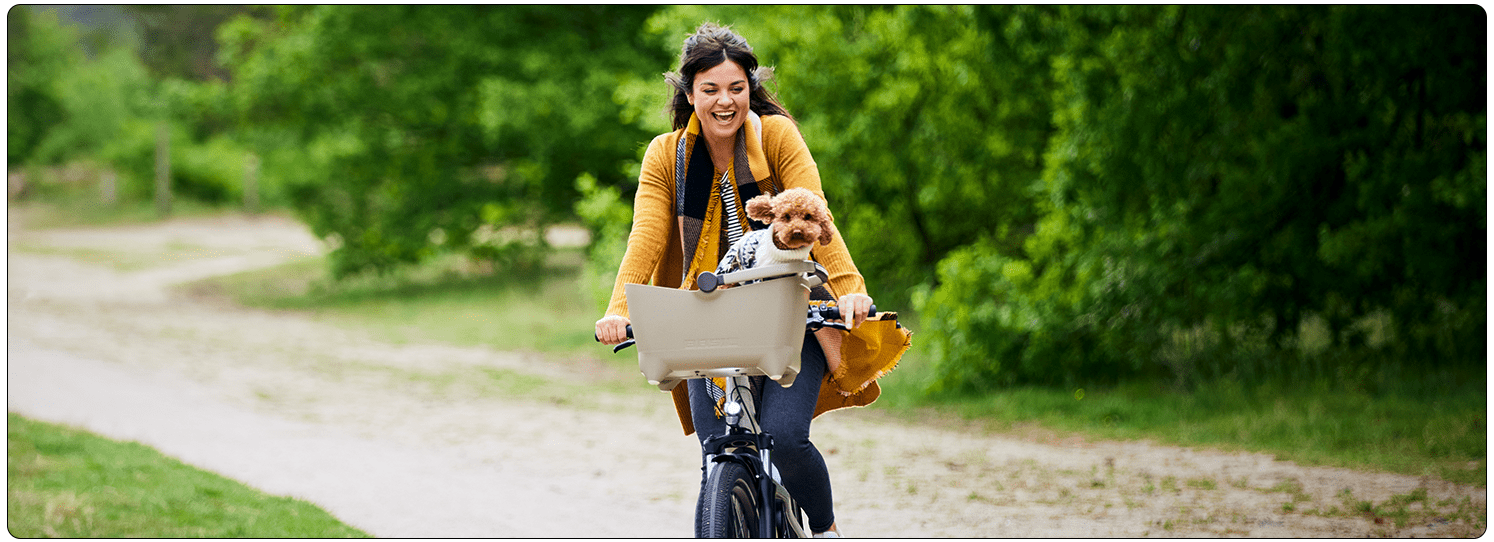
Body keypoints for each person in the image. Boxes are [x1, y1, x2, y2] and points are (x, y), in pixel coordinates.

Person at [595, 22, 887, 538]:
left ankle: (825, 529)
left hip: (791, 311)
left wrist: (849, 289)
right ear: (690, 93)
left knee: (784, 436)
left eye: (736, 88)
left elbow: (816, 217)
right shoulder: (666, 155)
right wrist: (620, 308)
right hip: (707, 319)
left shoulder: (775, 135)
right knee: (716, 451)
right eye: (710, 89)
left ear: (751, 88)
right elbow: (647, 238)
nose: (724, 101)